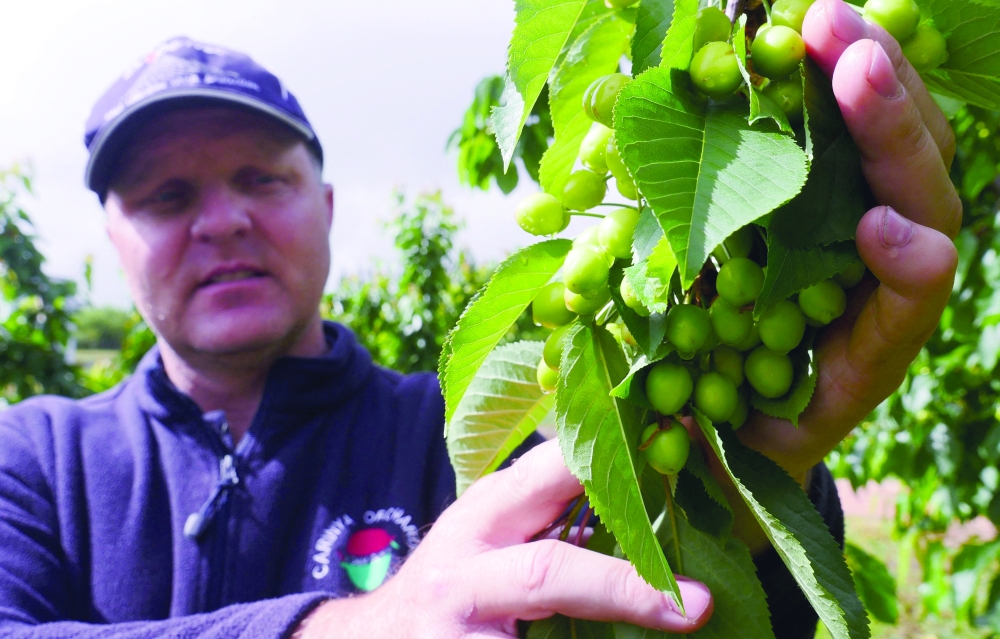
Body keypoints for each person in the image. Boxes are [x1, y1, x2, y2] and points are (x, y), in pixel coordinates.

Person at [0, 0, 959, 637]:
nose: (223, 219)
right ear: (112, 239)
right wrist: (349, 626)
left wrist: (744, 496)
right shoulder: (32, 461)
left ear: (327, 207)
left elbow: (633, 612)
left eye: (261, 177)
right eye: (166, 196)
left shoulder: (469, 445)